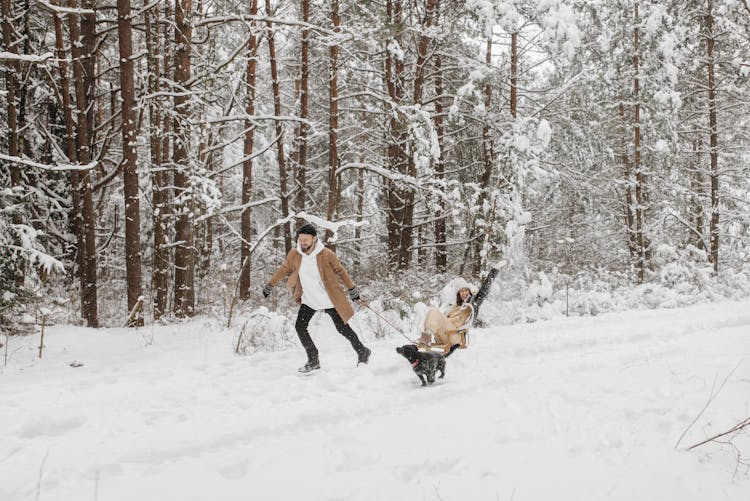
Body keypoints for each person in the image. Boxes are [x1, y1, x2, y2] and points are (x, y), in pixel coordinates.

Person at [263, 223, 371, 373]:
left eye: (306, 239)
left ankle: (362, 351)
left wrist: (352, 289)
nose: (303, 243)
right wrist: (270, 284)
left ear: (314, 239)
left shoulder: (326, 254)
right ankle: (313, 359)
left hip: (329, 299)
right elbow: (284, 269)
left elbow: (341, 271)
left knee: (342, 328)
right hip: (309, 299)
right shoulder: (295, 254)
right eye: (300, 239)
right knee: (300, 327)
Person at [419, 278, 476, 347]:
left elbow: (478, 296)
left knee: (435, 311)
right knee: (431, 310)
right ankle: (426, 336)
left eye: (466, 290)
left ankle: (426, 337)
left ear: (469, 291)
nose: (464, 293)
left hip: (455, 336)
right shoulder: (455, 306)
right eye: (461, 291)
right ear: (458, 294)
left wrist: (472, 296)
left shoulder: (468, 306)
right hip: (445, 335)